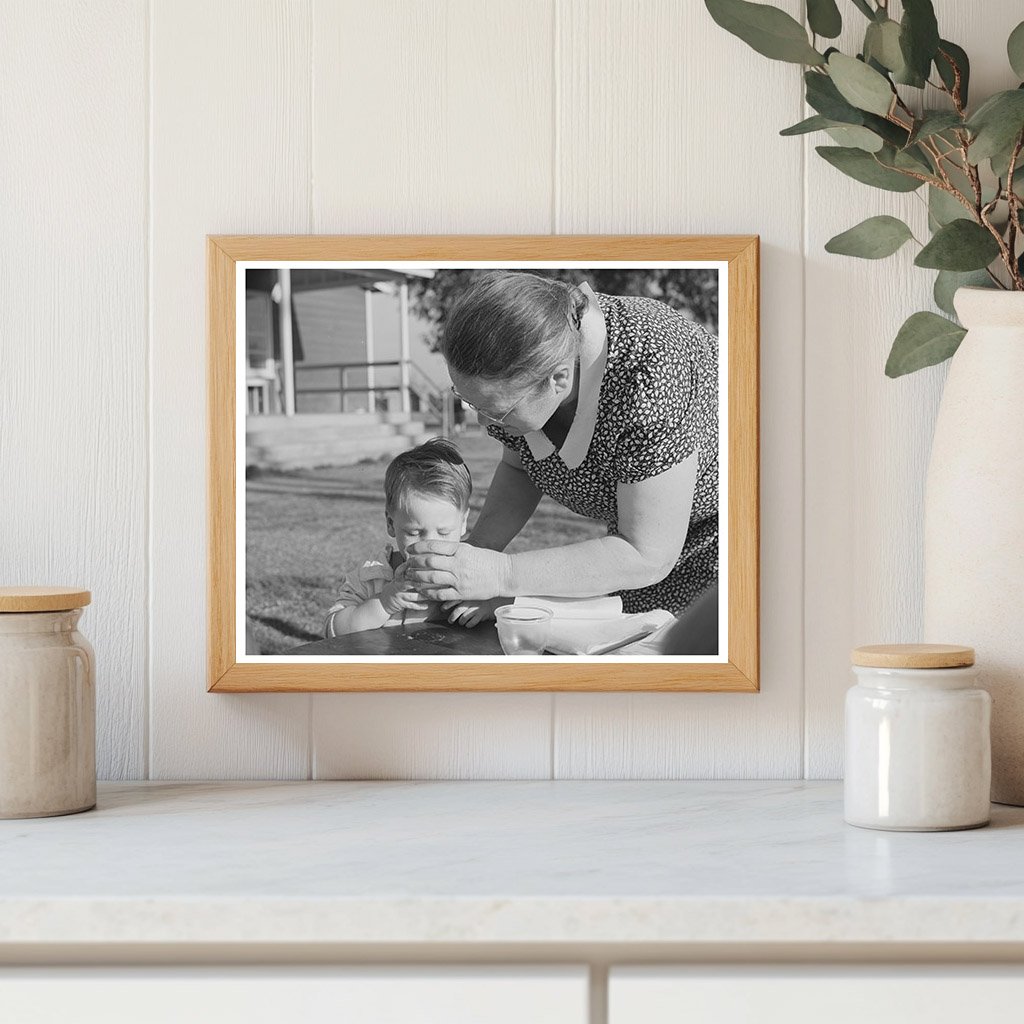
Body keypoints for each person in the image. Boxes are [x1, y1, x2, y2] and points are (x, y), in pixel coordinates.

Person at [405, 271, 718, 631]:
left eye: (496, 410)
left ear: (558, 380)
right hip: (646, 554)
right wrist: (474, 556)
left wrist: (502, 574)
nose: (483, 422)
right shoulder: (536, 355)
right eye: (469, 401)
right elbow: (521, 467)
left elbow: (645, 554)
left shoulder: (651, 372)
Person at [323, 437, 475, 637]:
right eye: (414, 533)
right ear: (390, 524)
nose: (429, 545)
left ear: (463, 522)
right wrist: (384, 603)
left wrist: (485, 605)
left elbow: (509, 610)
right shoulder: (372, 576)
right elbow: (332, 631)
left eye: (444, 532)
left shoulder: (472, 571)